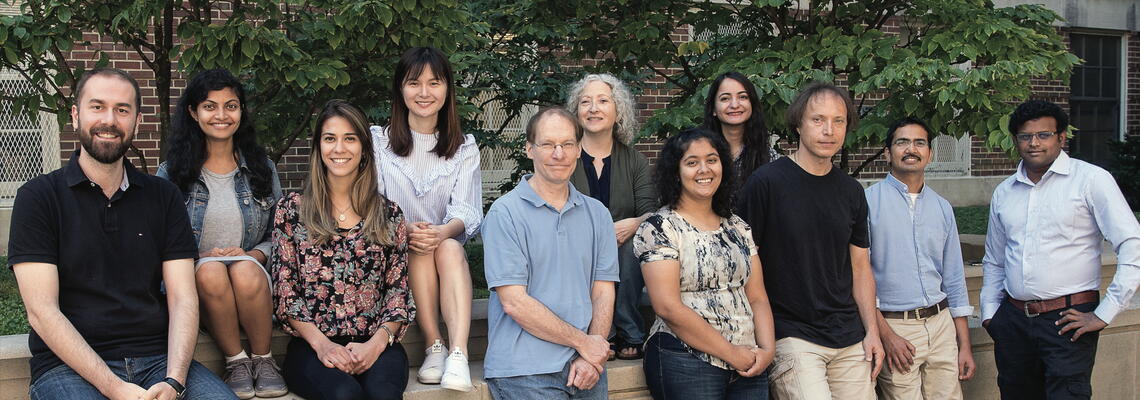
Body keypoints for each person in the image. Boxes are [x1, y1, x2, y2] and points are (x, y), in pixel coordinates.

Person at [8, 67, 234, 399]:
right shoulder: (38, 197)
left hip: (159, 361)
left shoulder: (163, 196)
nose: (109, 120)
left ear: (137, 122)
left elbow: (183, 298)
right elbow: (42, 312)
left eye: (122, 110)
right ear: (76, 115)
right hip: (69, 367)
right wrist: (115, 388)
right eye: (97, 106)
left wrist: (174, 380)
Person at [980, 100, 1140, 399]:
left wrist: (1104, 313)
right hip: (1013, 322)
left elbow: (1133, 245)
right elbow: (995, 260)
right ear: (1016, 140)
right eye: (1026, 136)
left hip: (1069, 321)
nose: (1034, 143)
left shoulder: (1091, 180)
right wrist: (991, 314)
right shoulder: (1005, 191)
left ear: (1061, 138)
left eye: (1044, 135)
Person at [734, 82, 884, 399]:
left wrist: (872, 332)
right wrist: (763, 336)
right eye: (818, 119)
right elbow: (746, 264)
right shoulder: (766, 183)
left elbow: (860, 268)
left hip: (849, 336)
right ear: (799, 124)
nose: (829, 130)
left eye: (838, 121)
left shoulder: (851, 191)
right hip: (792, 335)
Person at [272, 100, 415, 400]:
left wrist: (374, 345)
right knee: (344, 395)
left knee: (383, 395)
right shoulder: (292, 211)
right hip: (312, 347)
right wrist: (323, 345)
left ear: (364, 147)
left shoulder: (389, 215)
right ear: (318, 147)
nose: (339, 148)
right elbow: (286, 292)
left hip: (377, 343)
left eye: (349, 138)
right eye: (330, 138)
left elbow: (398, 293)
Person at [156, 69, 286, 399]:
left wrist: (254, 254)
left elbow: (281, 232)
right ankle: (236, 362)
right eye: (210, 106)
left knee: (243, 270)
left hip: (253, 278)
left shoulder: (261, 168)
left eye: (231, 106)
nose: (221, 115)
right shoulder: (171, 173)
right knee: (212, 272)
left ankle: (263, 359)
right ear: (193, 112)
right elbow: (160, 240)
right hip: (197, 279)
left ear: (241, 111)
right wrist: (197, 257)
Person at [482, 108, 618, 399]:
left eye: (568, 144)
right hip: (525, 370)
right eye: (548, 144)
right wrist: (585, 343)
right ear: (529, 149)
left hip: (586, 366)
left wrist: (591, 352)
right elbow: (514, 303)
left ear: (579, 149)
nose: (559, 154)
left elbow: (603, 291)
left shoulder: (598, 214)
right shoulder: (505, 213)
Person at [636, 128, 776, 399]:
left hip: (749, 361)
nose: (704, 169)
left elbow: (757, 296)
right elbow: (667, 306)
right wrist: (731, 354)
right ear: (676, 172)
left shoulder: (738, 227)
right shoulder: (660, 228)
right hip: (685, 358)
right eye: (692, 162)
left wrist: (767, 350)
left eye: (712, 160)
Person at [370, 46, 480, 391]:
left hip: (445, 253)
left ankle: (458, 352)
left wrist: (442, 231)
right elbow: (371, 203)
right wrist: (405, 229)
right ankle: (435, 344)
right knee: (420, 244)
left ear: (447, 90)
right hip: (393, 252)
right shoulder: (379, 143)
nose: (424, 93)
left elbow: (466, 210)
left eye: (434, 83)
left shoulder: (464, 148)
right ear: (400, 90)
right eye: (414, 83)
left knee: (446, 246)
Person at [865, 117, 976, 399]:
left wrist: (964, 345)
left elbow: (954, 279)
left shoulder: (942, 207)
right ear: (888, 152)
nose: (910, 149)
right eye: (902, 142)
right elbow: (857, 274)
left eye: (919, 142)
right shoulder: (867, 203)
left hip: (941, 326)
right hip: (896, 326)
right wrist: (886, 335)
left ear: (930, 153)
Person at [566, 73, 656, 360]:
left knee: (631, 248)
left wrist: (636, 222)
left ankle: (628, 331)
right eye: (585, 102)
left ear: (618, 111)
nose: (593, 108)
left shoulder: (634, 160)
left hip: (623, 245)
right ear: (576, 112)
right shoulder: (565, 156)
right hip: (575, 241)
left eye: (603, 101)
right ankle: (598, 333)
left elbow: (652, 212)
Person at [701, 71, 773, 192]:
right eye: (725, 98)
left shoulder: (770, 157)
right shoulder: (698, 151)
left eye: (743, 97)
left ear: (752, 105)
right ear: (713, 109)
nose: (734, 105)